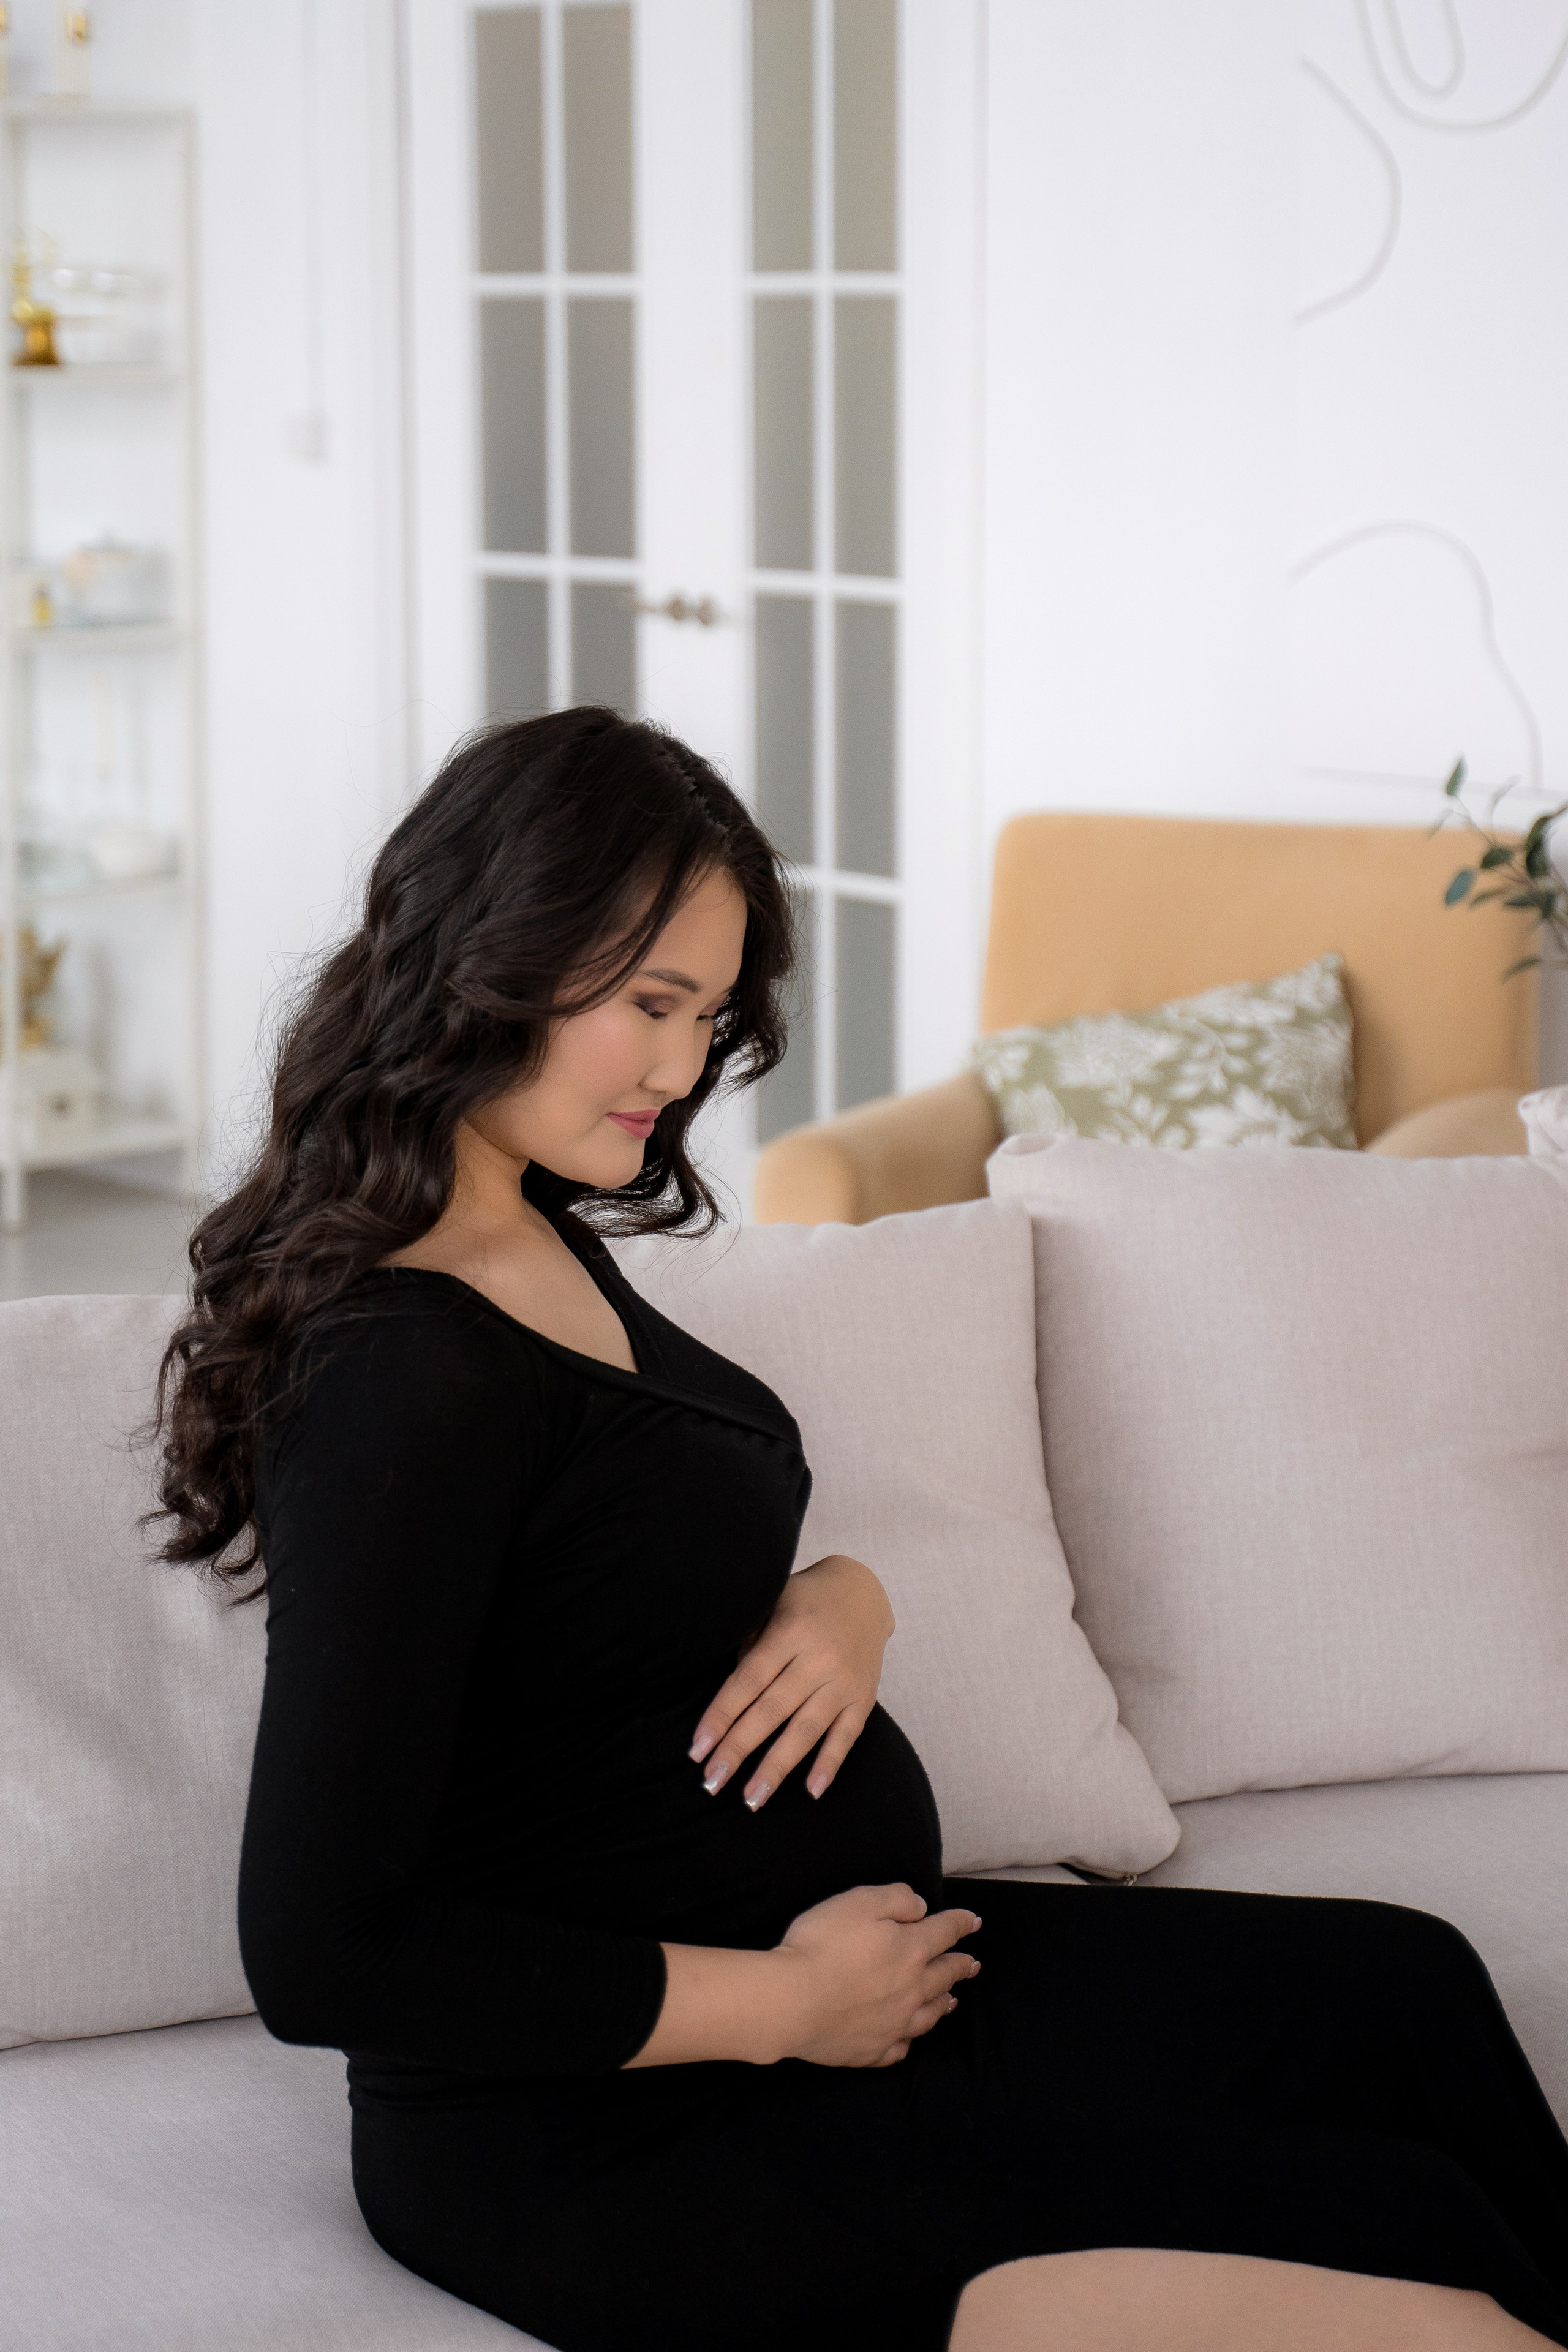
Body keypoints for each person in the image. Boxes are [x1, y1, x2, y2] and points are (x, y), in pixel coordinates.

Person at [155, 709, 1568, 2352]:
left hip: (842, 1990)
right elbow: (323, 1951)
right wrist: (789, 2003)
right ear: (489, 958)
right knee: (1405, 2240)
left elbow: (607, 1589)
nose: (684, 1069)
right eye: (651, 1006)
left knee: (1402, 1991)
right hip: (608, 2126)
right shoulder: (398, 1371)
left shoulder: (529, 1227)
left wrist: (846, 1594)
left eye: (709, 1014)